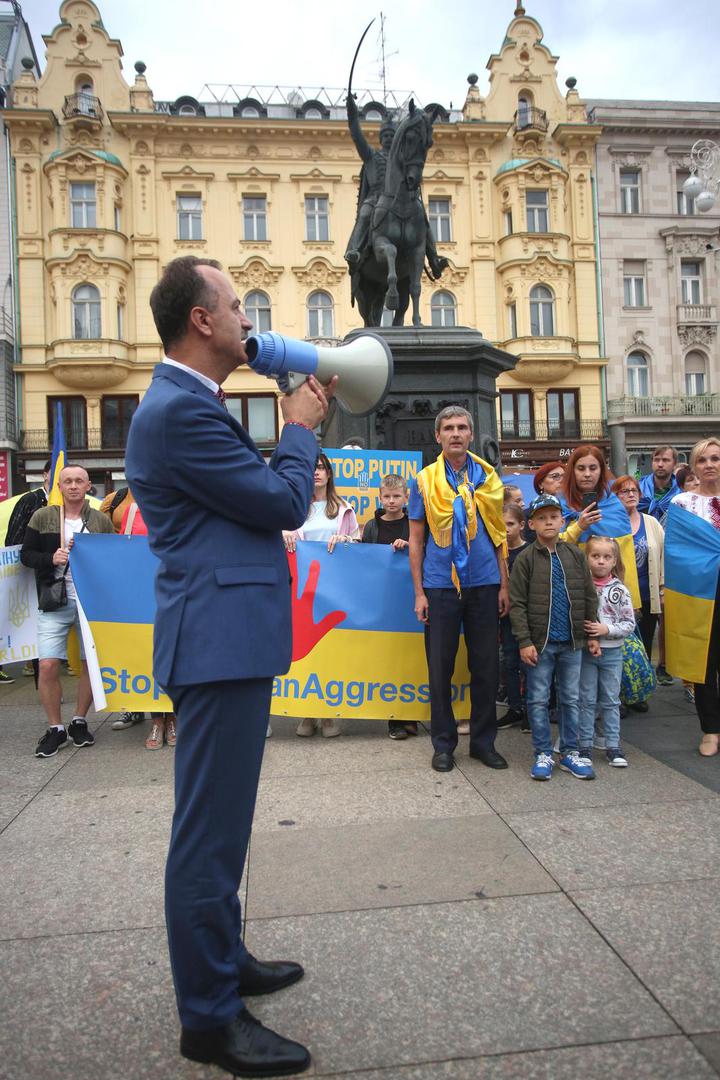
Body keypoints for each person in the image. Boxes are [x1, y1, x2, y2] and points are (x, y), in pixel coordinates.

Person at [125, 255, 333, 1078]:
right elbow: (282, 503)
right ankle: (209, 1018)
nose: (251, 320)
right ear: (202, 321)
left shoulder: (190, 402)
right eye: (238, 305)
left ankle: (227, 958)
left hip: (224, 636)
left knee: (225, 827)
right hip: (215, 642)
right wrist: (300, 429)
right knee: (207, 840)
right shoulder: (180, 409)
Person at [408, 405, 509, 773]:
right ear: (437, 436)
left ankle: (483, 743)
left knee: (485, 667)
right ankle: (443, 744)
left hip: (484, 582)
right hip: (439, 586)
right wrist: (419, 592)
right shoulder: (423, 480)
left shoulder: (488, 478)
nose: (455, 433)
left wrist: (504, 584)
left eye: (462, 427)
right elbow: (416, 540)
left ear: (471, 434)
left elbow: (500, 536)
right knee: (440, 668)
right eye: (448, 427)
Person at [20, 464, 114, 758]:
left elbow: (113, 558)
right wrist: (51, 557)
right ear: (58, 486)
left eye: (79, 481)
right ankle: (55, 728)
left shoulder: (100, 521)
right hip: (54, 600)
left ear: (88, 486)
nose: (73, 485)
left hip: (90, 603)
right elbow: (26, 555)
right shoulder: (43, 516)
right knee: (47, 664)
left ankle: (79, 720)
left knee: (90, 664)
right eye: (67, 481)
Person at [509, 493, 599, 782]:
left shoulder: (574, 554)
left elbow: (588, 594)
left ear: (563, 521)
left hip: (572, 641)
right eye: (542, 518)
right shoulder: (525, 559)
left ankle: (570, 752)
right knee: (537, 699)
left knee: (571, 698)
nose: (549, 522)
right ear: (531, 524)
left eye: (554, 517)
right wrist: (524, 641)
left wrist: (592, 631)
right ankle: (543, 752)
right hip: (539, 644)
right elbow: (518, 603)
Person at [283, 452, 360, 738]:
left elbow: (359, 545)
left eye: (321, 467)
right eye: (311, 468)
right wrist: (284, 533)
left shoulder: (343, 509)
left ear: (329, 474)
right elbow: (281, 536)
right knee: (303, 648)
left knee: (330, 648)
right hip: (302, 588)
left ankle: (329, 713)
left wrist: (346, 540)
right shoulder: (294, 508)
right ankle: (307, 712)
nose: (316, 472)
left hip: (333, 587)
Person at [344, 93, 447, 279]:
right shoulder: (371, 155)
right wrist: (352, 112)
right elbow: (357, 136)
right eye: (385, 135)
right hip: (376, 199)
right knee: (365, 213)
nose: (389, 138)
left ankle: (434, 258)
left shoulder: (402, 156)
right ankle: (354, 251)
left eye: (392, 135)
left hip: (401, 200)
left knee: (422, 217)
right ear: (380, 139)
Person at [667, 438, 720, 757]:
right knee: (704, 660)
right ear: (694, 467)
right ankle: (711, 730)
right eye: (703, 460)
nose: (710, 464)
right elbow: (677, 552)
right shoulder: (682, 504)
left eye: (715, 458)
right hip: (699, 590)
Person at [361, 472, 416, 740]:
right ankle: (393, 719)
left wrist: (411, 545)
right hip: (382, 601)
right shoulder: (372, 526)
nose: (392, 501)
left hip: (409, 599)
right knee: (387, 659)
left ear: (406, 498)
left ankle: (411, 715)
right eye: (387, 496)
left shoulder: (414, 523)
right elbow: (364, 560)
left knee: (409, 657)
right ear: (380, 498)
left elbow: (425, 548)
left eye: (397, 496)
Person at [578, 537, 636, 768]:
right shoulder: (582, 587)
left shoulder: (620, 590)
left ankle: (613, 745)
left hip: (612, 653)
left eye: (606, 557)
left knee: (611, 700)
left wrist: (606, 629)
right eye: (595, 556)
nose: (601, 561)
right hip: (586, 653)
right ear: (587, 558)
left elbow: (629, 623)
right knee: (586, 699)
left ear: (614, 561)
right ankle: (584, 744)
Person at [612, 475, 665, 712]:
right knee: (621, 648)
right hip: (619, 598)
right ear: (615, 497)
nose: (631, 494)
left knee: (642, 647)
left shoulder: (651, 522)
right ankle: (619, 695)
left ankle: (639, 694)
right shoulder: (610, 523)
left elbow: (663, 555)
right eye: (624, 491)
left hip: (647, 594)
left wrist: (662, 589)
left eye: (634, 490)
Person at [4, 458, 52, 682]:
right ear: (45, 474)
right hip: (32, 576)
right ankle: (41, 677)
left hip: (62, 578)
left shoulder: (74, 504)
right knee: (35, 627)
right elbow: (13, 539)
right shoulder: (31, 500)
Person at [496, 503, 529, 731]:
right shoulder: (495, 551)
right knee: (509, 660)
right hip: (503, 615)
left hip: (526, 617)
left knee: (528, 662)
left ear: (522, 525)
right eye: (502, 524)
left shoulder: (529, 551)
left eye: (511, 524)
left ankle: (530, 708)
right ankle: (515, 708)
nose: (506, 529)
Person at [674, 466, 700, 702]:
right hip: (693, 582)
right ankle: (691, 683)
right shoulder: (679, 506)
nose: (696, 483)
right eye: (691, 479)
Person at [638, 445, 679, 525]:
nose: (660, 464)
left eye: (665, 460)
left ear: (674, 464)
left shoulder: (681, 491)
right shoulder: (638, 488)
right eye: (656, 460)